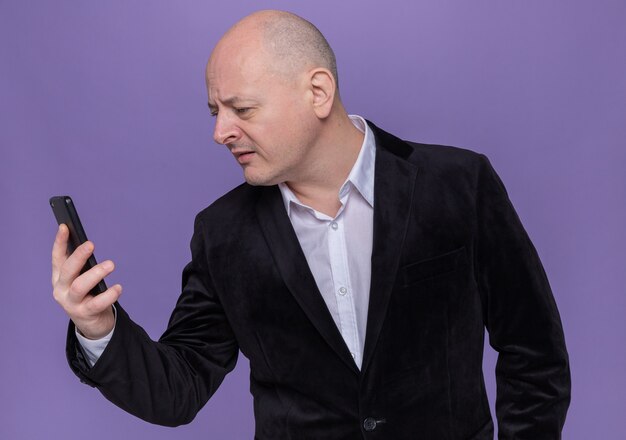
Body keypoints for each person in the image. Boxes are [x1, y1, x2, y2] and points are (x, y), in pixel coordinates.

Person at [51, 9, 571, 440]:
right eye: (214, 111)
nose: (220, 132)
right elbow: (179, 388)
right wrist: (98, 329)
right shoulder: (222, 233)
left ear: (318, 92)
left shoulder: (459, 183)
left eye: (241, 109)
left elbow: (533, 350)